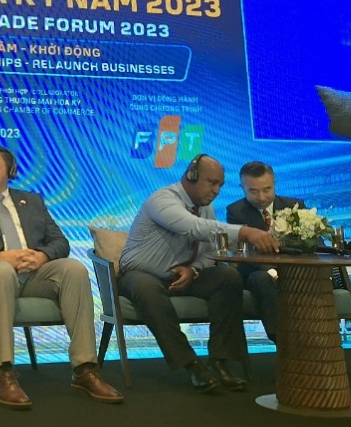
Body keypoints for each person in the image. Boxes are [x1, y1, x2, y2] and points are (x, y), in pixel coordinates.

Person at [0, 146, 123, 409]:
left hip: (34, 276)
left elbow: (60, 242)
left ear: (10, 172)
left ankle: (84, 368)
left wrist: (42, 256)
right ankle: (4, 372)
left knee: (74, 269)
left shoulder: (32, 201)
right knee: (2, 270)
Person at [119, 154, 279, 393]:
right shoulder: (162, 200)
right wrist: (246, 232)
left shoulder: (206, 209)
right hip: (140, 273)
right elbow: (192, 227)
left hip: (182, 274)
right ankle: (191, 365)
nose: (216, 191)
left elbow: (210, 251)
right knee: (145, 287)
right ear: (191, 176)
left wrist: (193, 269)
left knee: (227, 277)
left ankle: (221, 360)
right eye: (211, 183)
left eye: (220, 185)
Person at [224, 161, 304, 343]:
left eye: (267, 189)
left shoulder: (295, 206)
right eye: (253, 191)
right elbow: (245, 253)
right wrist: (272, 271)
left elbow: (308, 244)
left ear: (274, 183)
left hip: (292, 269)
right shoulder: (236, 211)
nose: (261, 197)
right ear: (242, 188)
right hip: (255, 271)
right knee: (261, 278)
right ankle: (283, 339)